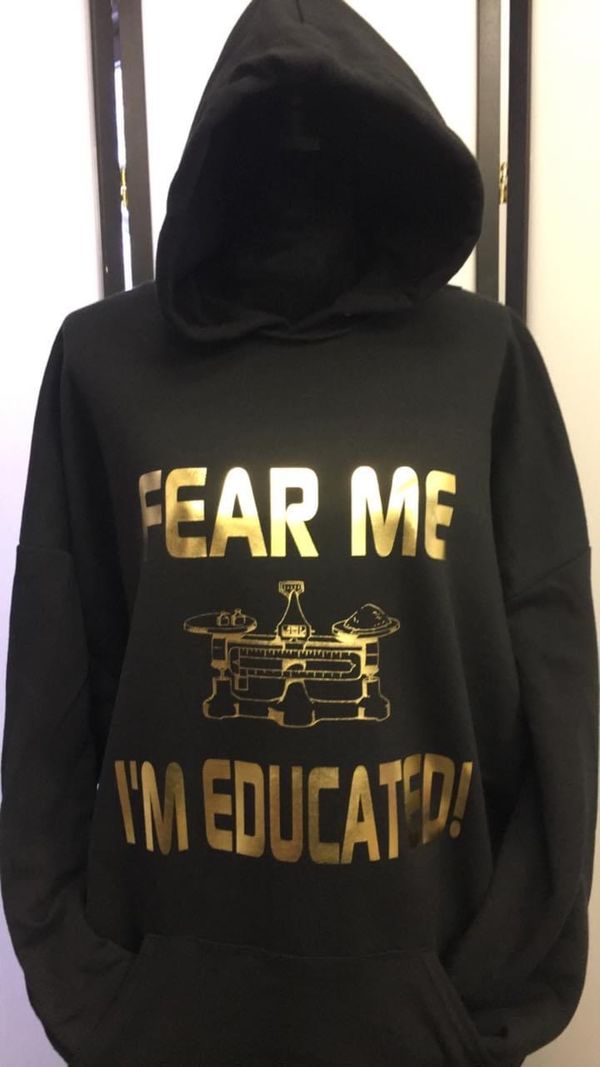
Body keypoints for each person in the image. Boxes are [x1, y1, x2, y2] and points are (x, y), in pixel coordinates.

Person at [1, 1, 597, 1064]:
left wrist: (488, 998)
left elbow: (559, 696)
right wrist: (88, 988)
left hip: (426, 1015)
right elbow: (48, 699)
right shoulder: (98, 364)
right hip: (162, 1019)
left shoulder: (490, 363)